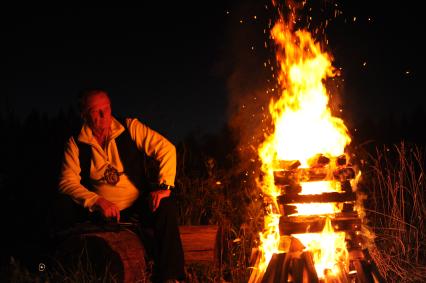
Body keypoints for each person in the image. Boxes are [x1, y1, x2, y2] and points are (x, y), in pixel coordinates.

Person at [58, 89, 185, 283]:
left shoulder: (130, 127)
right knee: (63, 208)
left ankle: (171, 277)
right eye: (95, 111)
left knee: (165, 207)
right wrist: (97, 201)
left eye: (106, 108)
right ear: (84, 115)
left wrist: (164, 187)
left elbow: (167, 149)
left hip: (137, 205)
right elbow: (67, 182)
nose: (104, 115)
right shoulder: (75, 143)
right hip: (103, 211)